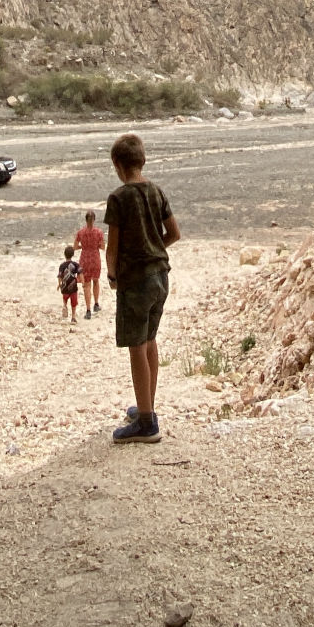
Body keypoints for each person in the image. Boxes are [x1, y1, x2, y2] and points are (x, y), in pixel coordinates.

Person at [104, 132, 178, 444]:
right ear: (143, 161)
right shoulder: (157, 191)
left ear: (117, 164)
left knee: (137, 346)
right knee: (150, 341)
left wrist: (112, 275)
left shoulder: (119, 198)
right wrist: (152, 249)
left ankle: (146, 423)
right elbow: (173, 233)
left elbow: (112, 247)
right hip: (160, 275)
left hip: (135, 281)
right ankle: (147, 407)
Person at [73, 210, 106, 316]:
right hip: (95, 258)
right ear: (94, 220)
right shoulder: (99, 232)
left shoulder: (81, 232)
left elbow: (75, 247)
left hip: (85, 259)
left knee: (86, 285)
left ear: (86, 220)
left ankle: (88, 310)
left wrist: (83, 247)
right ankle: (96, 304)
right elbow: (102, 247)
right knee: (96, 281)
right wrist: (94, 246)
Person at [57, 244, 81, 321]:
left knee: (65, 297)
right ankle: (73, 317)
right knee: (73, 302)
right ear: (73, 255)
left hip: (64, 285)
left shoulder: (62, 265)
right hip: (73, 285)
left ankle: (64, 305)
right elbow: (80, 272)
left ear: (64, 254)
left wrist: (59, 284)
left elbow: (60, 276)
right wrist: (81, 280)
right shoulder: (75, 264)